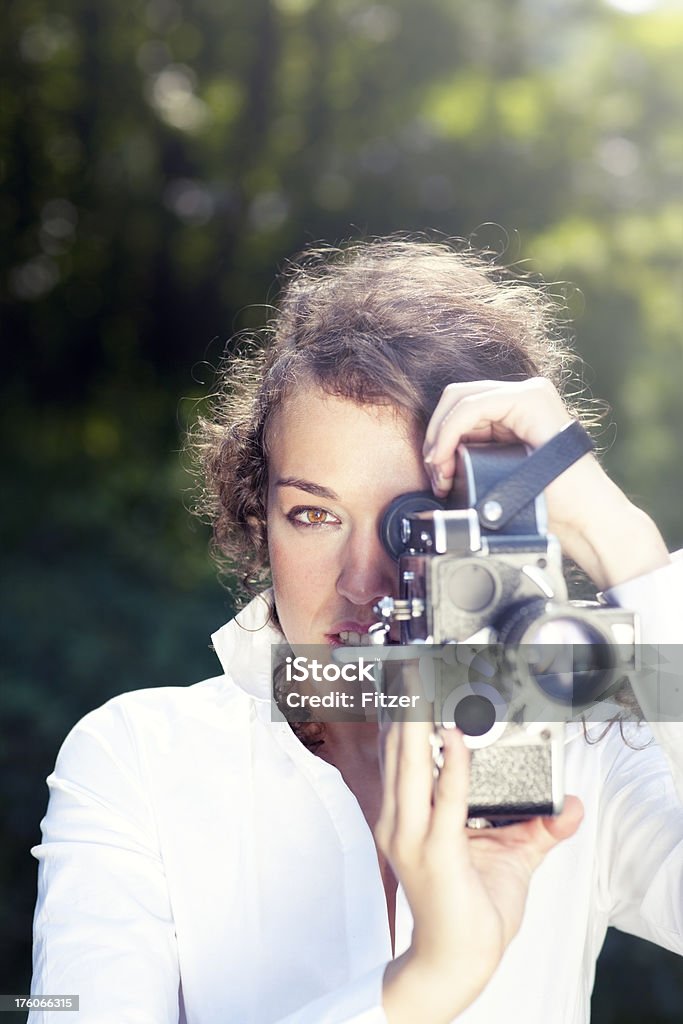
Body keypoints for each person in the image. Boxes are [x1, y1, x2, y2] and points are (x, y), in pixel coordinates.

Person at [30, 238, 683, 1023]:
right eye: (312, 514)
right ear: (258, 519)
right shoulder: (140, 756)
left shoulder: (569, 751)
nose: (361, 579)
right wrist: (428, 981)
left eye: (414, 524)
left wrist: (626, 545)